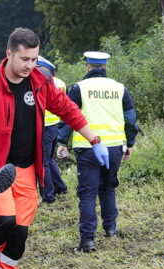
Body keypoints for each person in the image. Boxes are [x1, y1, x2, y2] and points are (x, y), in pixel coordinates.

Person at [0, 28, 107, 269]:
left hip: (26, 170)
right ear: (9, 54)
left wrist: (94, 140)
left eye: (34, 59)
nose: (29, 66)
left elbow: (67, 109)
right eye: (24, 59)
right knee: (3, 221)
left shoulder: (40, 80)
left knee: (19, 234)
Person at [56, 51, 138, 253]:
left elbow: (69, 116)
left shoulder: (79, 88)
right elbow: (130, 118)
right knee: (108, 188)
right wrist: (130, 143)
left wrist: (61, 141)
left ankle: (87, 240)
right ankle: (111, 228)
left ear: (87, 67)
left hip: (88, 147)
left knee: (87, 194)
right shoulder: (119, 88)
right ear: (105, 67)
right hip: (115, 147)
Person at [36, 56, 69, 203]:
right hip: (55, 125)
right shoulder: (61, 83)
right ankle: (60, 187)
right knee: (48, 159)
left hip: (43, 126)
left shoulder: (40, 81)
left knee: (42, 162)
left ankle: (48, 196)